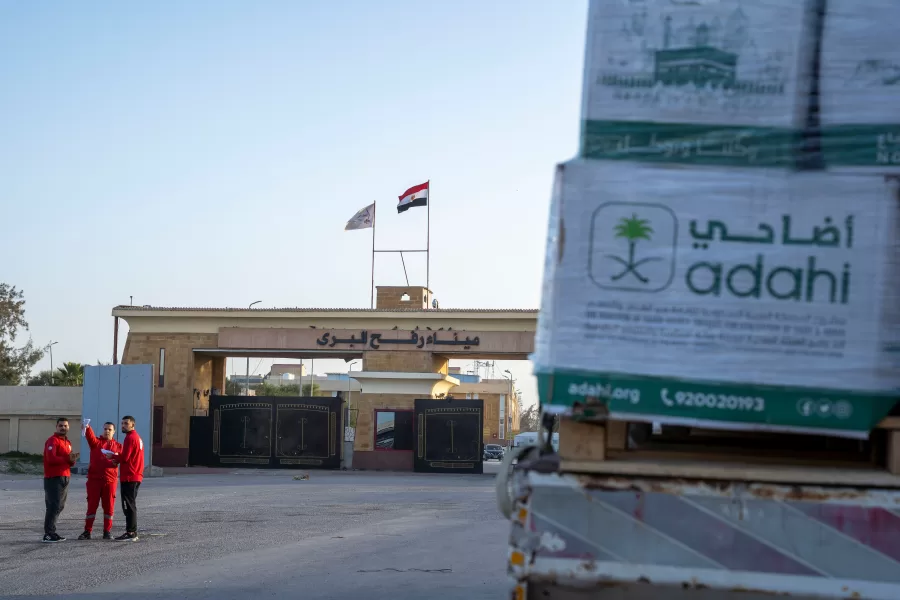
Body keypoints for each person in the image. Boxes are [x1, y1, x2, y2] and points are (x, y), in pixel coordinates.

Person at [78, 421, 122, 540]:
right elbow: (90, 436)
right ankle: (87, 531)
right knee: (92, 506)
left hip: (110, 481)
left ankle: (107, 531)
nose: (107, 431)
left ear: (114, 431)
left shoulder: (119, 446)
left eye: (109, 429)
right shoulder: (96, 443)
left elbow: (124, 458)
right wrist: (87, 427)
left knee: (109, 507)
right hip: (94, 481)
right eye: (105, 429)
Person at [42, 417, 78, 543]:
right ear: (56, 427)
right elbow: (51, 459)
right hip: (53, 477)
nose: (63, 428)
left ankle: (52, 531)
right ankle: (48, 534)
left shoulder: (68, 442)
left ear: (68, 427)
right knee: (53, 505)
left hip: (65, 476)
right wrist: (67, 459)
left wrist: (72, 460)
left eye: (65, 426)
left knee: (60, 506)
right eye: (61, 425)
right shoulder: (52, 441)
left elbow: (69, 461)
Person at [110, 415, 144, 541]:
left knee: (129, 505)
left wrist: (113, 456)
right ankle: (132, 531)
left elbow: (125, 457)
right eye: (122, 423)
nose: (123, 426)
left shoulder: (130, 438)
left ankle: (131, 532)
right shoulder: (137, 437)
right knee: (130, 504)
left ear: (132, 425)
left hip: (130, 476)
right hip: (135, 475)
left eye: (126, 423)